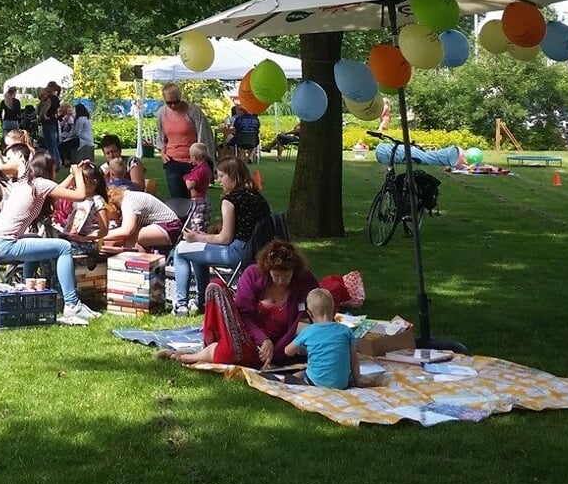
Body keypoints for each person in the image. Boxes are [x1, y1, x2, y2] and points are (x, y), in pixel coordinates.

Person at [163, 240, 317, 369]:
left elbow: (314, 311)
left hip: (283, 348)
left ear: (295, 270)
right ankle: (196, 353)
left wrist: (275, 353)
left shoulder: (305, 282)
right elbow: (243, 314)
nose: (281, 281)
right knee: (216, 286)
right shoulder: (253, 275)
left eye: (286, 275)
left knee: (231, 353)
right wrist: (263, 340)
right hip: (247, 336)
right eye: (276, 275)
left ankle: (189, 357)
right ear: (267, 269)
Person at [0, 154, 98, 326]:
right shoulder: (41, 184)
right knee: (64, 247)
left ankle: (27, 291)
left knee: (37, 239)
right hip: (5, 244)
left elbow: (56, 192)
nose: (56, 174)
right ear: (48, 170)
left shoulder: (25, 182)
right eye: (55, 170)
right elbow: (80, 195)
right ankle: (72, 304)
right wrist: (77, 172)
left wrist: (71, 175)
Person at [170, 157, 265, 315]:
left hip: (237, 253)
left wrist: (197, 237)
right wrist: (203, 238)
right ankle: (203, 301)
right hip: (256, 251)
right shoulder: (257, 197)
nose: (218, 180)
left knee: (180, 250)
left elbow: (225, 239)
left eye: (221, 176)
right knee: (196, 252)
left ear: (232, 176)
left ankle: (181, 305)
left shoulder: (230, 200)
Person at [285, 290, 415, 387]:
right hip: (342, 383)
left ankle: (285, 382)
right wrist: (358, 381)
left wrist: (301, 348)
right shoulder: (345, 330)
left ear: (309, 313)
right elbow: (354, 359)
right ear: (334, 311)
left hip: (317, 382)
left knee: (301, 374)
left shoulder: (308, 331)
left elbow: (288, 351)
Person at [156, 83, 216, 204]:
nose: (173, 105)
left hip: (193, 163)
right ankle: (182, 223)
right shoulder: (161, 113)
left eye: (176, 101)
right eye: (169, 103)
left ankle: (196, 222)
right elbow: (161, 136)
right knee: (178, 201)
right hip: (172, 162)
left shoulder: (193, 111)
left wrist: (204, 161)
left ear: (181, 97)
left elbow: (204, 135)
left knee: (196, 201)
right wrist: (163, 153)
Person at [99, 184, 183, 253]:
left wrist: (98, 236)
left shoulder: (128, 203)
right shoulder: (126, 198)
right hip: (158, 226)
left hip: (170, 227)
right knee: (116, 241)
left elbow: (126, 231)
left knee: (127, 240)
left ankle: (139, 267)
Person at [182, 142, 215, 231]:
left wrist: (186, 178)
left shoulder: (199, 170)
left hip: (198, 202)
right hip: (204, 198)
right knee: (204, 221)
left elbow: (190, 186)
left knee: (197, 224)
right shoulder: (206, 168)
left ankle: (199, 240)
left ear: (195, 157)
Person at [37, 82, 64, 166]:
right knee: (54, 143)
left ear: (50, 88)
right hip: (54, 122)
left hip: (48, 123)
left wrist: (40, 118)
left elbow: (44, 111)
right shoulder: (56, 99)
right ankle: (58, 161)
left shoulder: (49, 99)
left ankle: (54, 162)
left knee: (50, 144)